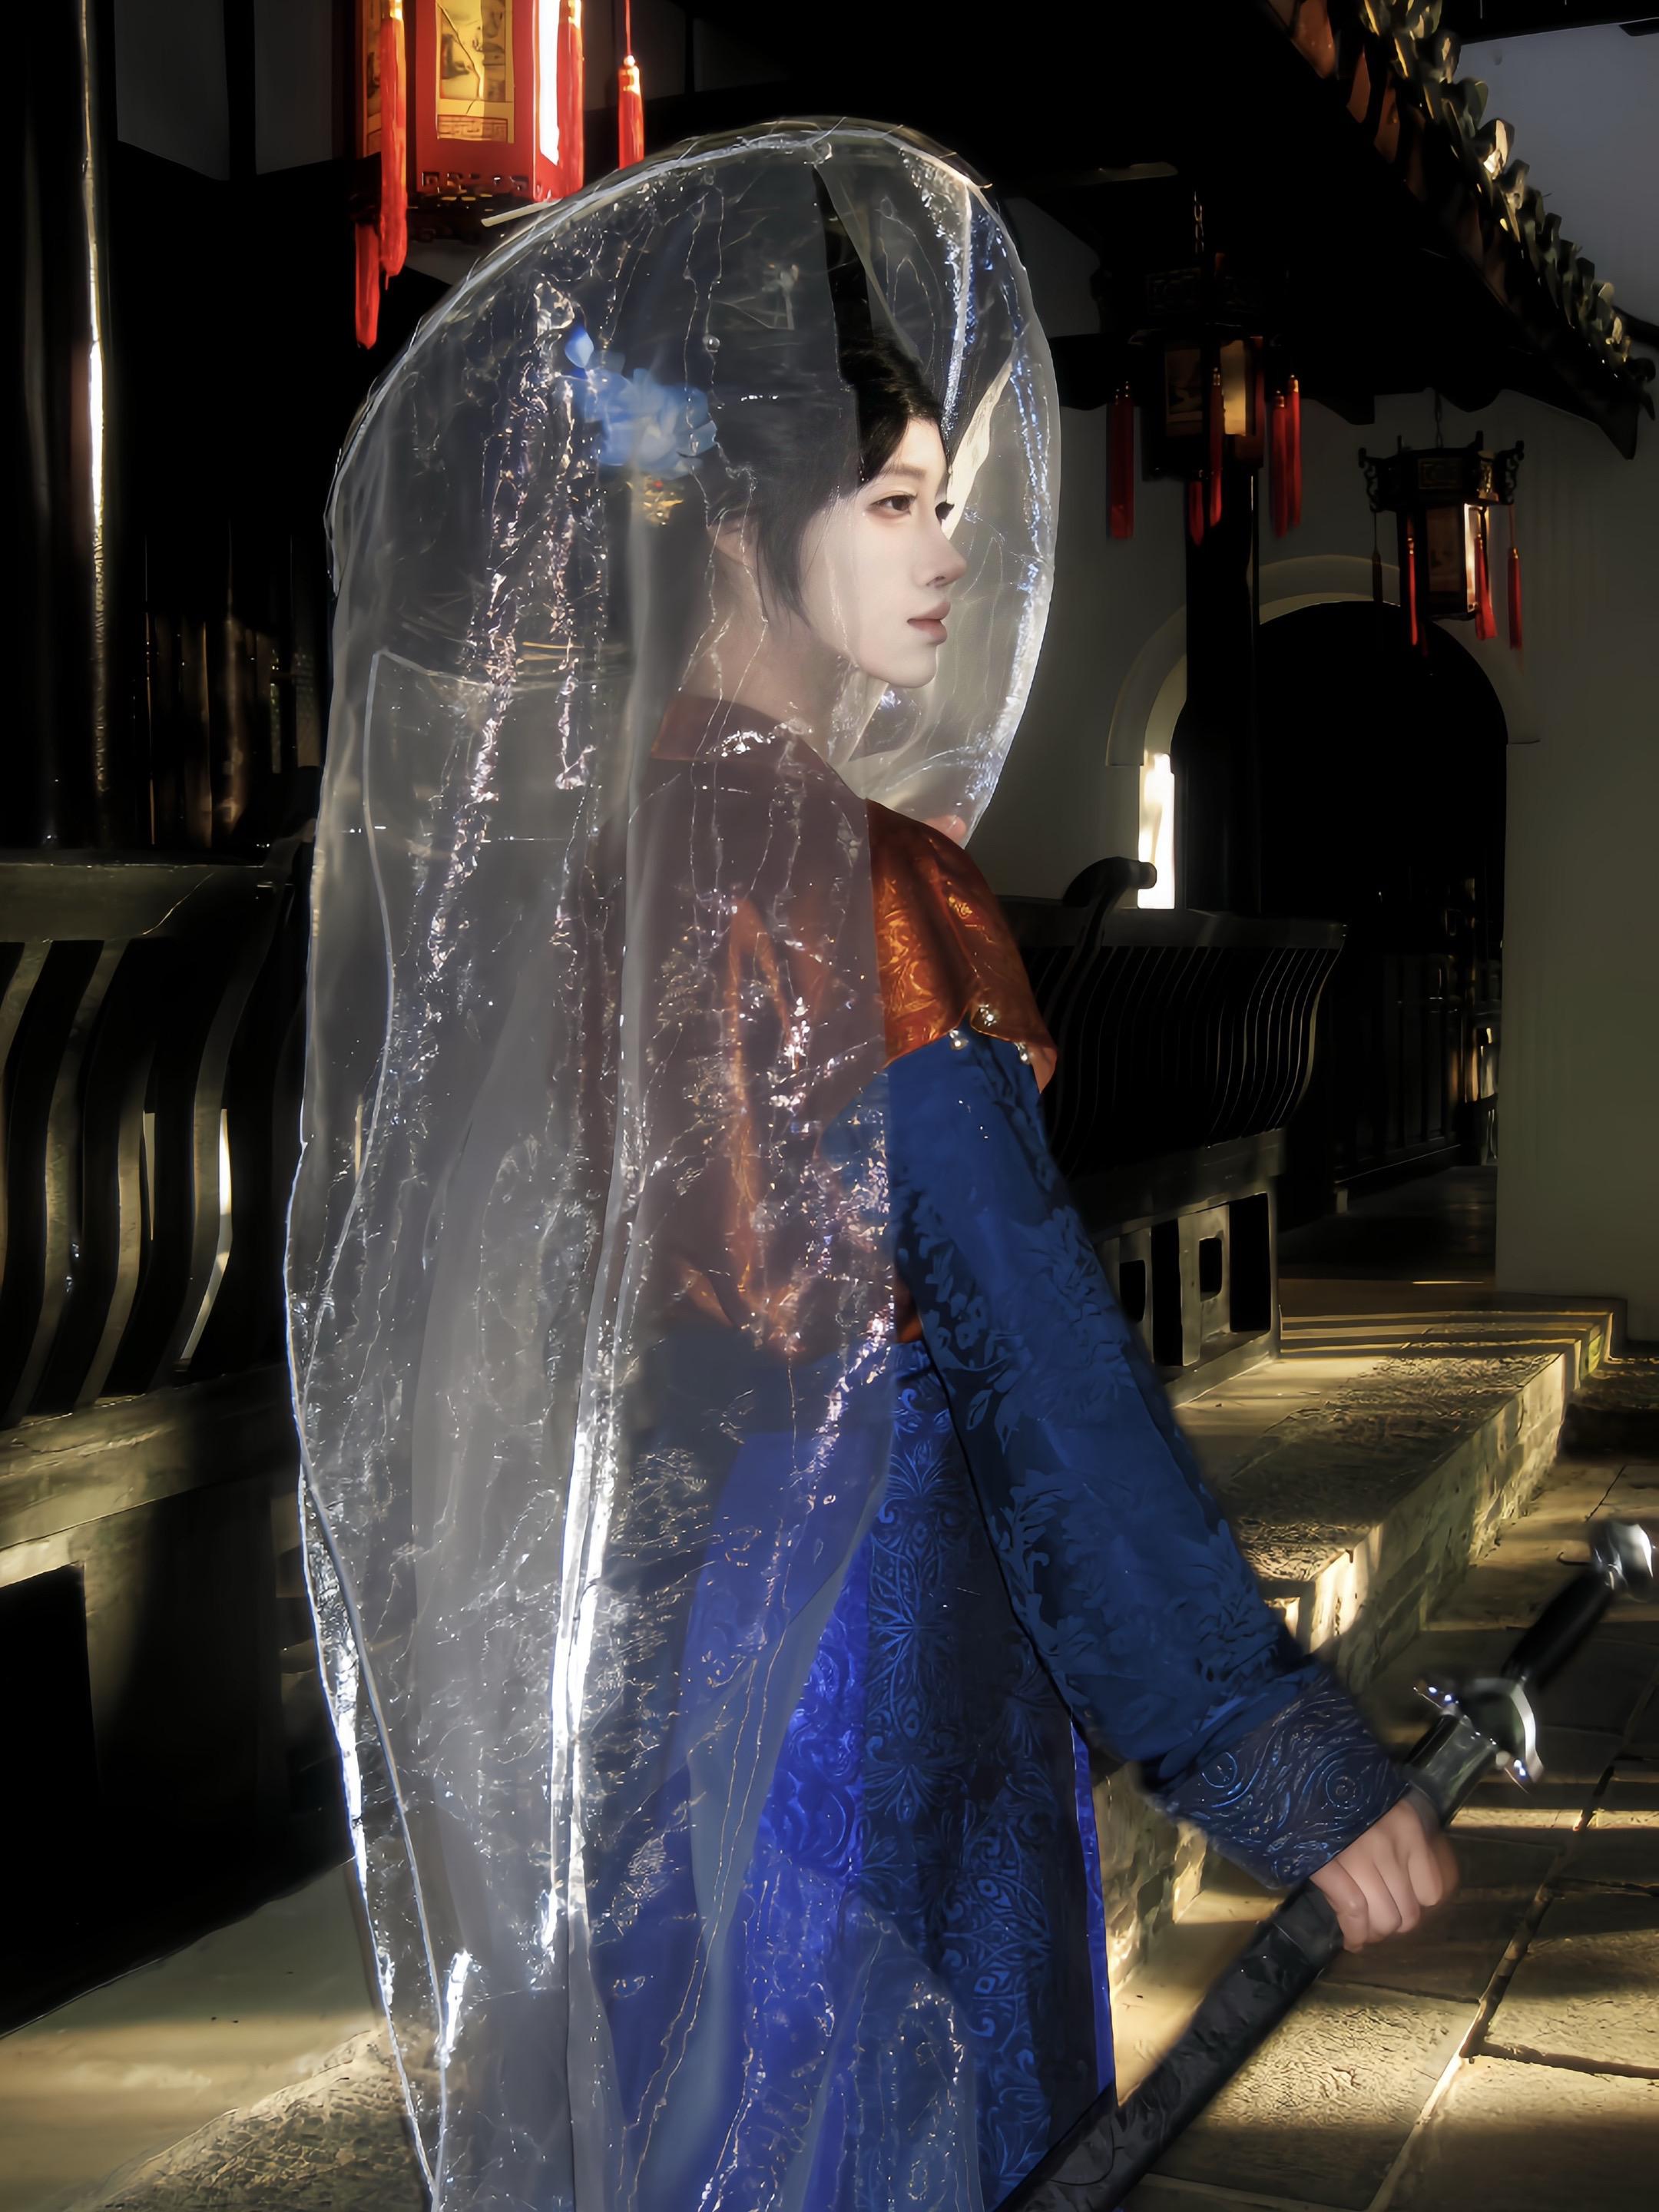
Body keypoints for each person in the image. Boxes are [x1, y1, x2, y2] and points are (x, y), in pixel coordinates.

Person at [288, 124, 1453, 2212]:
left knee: (713, 2108)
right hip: (879, 1637)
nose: (946, 551)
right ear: (746, 527)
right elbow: (1025, 1352)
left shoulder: (607, 886)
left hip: (666, 1636)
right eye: (898, 501)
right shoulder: (872, 889)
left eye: (949, 504)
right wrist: (1262, 1737)